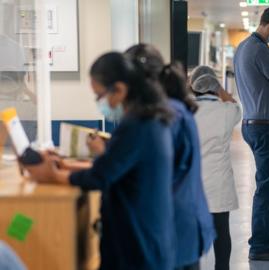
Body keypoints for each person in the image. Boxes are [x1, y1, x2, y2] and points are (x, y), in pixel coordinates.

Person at [24, 52, 176, 270]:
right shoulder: (150, 119)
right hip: (149, 235)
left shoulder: (136, 125)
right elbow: (115, 165)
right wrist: (66, 165)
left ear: (120, 89)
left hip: (137, 243)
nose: (100, 103)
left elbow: (101, 176)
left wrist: (53, 176)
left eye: (99, 96)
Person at [124, 44, 216, 270]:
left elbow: (151, 169)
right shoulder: (177, 108)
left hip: (173, 225)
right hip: (185, 222)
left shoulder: (165, 116)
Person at [233, 6, 269, 261]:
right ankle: (260, 246)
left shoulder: (243, 48)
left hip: (251, 123)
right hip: (265, 127)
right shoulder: (261, 50)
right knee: (267, 188)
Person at [190, 65, 242, 270]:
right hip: (219, 182)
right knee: (221, 232)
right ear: (216, 86)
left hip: (193, 184)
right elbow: (235, 105)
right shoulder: (228, 111)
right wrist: (222, 92)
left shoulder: (186, 111)